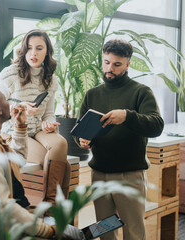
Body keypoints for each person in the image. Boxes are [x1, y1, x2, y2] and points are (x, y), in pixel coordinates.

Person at [78, 39, 164, 240]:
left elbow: (156, 125)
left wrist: (127, 116)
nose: (110, 68)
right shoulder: (92, 94)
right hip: (99, 175)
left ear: (128, 64)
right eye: (106, 62)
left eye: (117, 64)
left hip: (129, 176)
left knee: (133, 231)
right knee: (105, 230)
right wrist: (82, 141)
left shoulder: (141, 92)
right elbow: (81, 131)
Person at [0, 85, 60, 238]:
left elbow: (15, 162)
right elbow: (3, 206)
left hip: (18, 221)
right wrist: (47, 231)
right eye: (6, 100)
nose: (10, 104)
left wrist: (19, 127)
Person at [0, 29, 70, 203]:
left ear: (47, 52)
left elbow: (49, 113)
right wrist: (18, 107)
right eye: (29, 48)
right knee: (65, 166)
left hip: (37, 129)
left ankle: (51, 207)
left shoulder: (50, 79)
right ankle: (52, 208)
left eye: (39, 48)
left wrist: (49, 124)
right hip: (13, 130)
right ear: (23, 50)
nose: (33, 53)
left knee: (60, 142)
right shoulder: (11, 73)